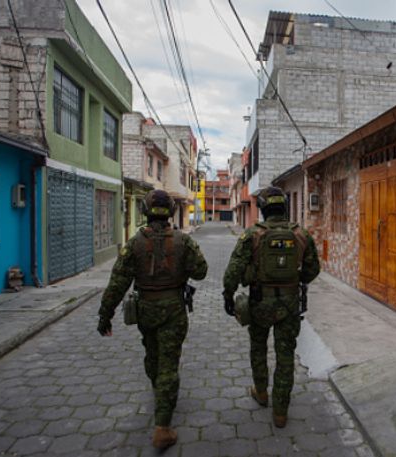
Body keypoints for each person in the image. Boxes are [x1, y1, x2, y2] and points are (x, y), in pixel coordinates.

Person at [97, 190, 207, 449]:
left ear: (146, 212)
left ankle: (161, 393)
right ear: (170, 212)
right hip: (173, 310)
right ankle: (163, 427)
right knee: (169, 362)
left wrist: (105, 314)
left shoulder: (134, 243)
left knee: (152, 355)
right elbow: (201, 272)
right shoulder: (183, 241)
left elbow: (117, 283)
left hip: (145, 309)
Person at [222, 186, 320, 428]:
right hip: (289, 304)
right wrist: (296, 281)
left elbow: (233, 269)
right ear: (284, 207)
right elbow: (313, 269)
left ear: (263, 209)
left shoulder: (251, 235)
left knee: (258, 348)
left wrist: (228, 295)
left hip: (259, 303)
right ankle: (280, 413)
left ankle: (262, 393)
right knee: (285, 356)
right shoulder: (301, 234)